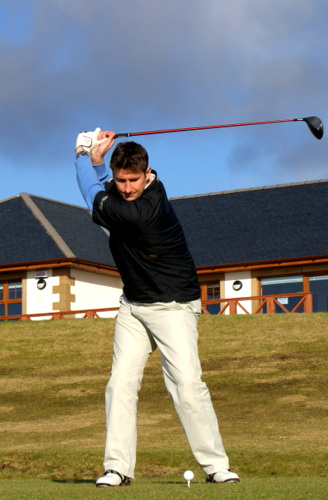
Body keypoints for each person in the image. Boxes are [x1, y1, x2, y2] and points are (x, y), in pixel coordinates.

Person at [74, 128, 239, 487]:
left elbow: (92, 193)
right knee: (119, 385)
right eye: (121, 180)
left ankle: (216, 467)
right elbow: (104, 188)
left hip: (173, 305)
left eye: (134, 180)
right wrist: (99, 161)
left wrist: (82, 156)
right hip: (133, 305)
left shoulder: (146, 210)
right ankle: (117, 468)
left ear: (148, 175)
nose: (127, 187)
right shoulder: (127, 196)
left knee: (186, 385)